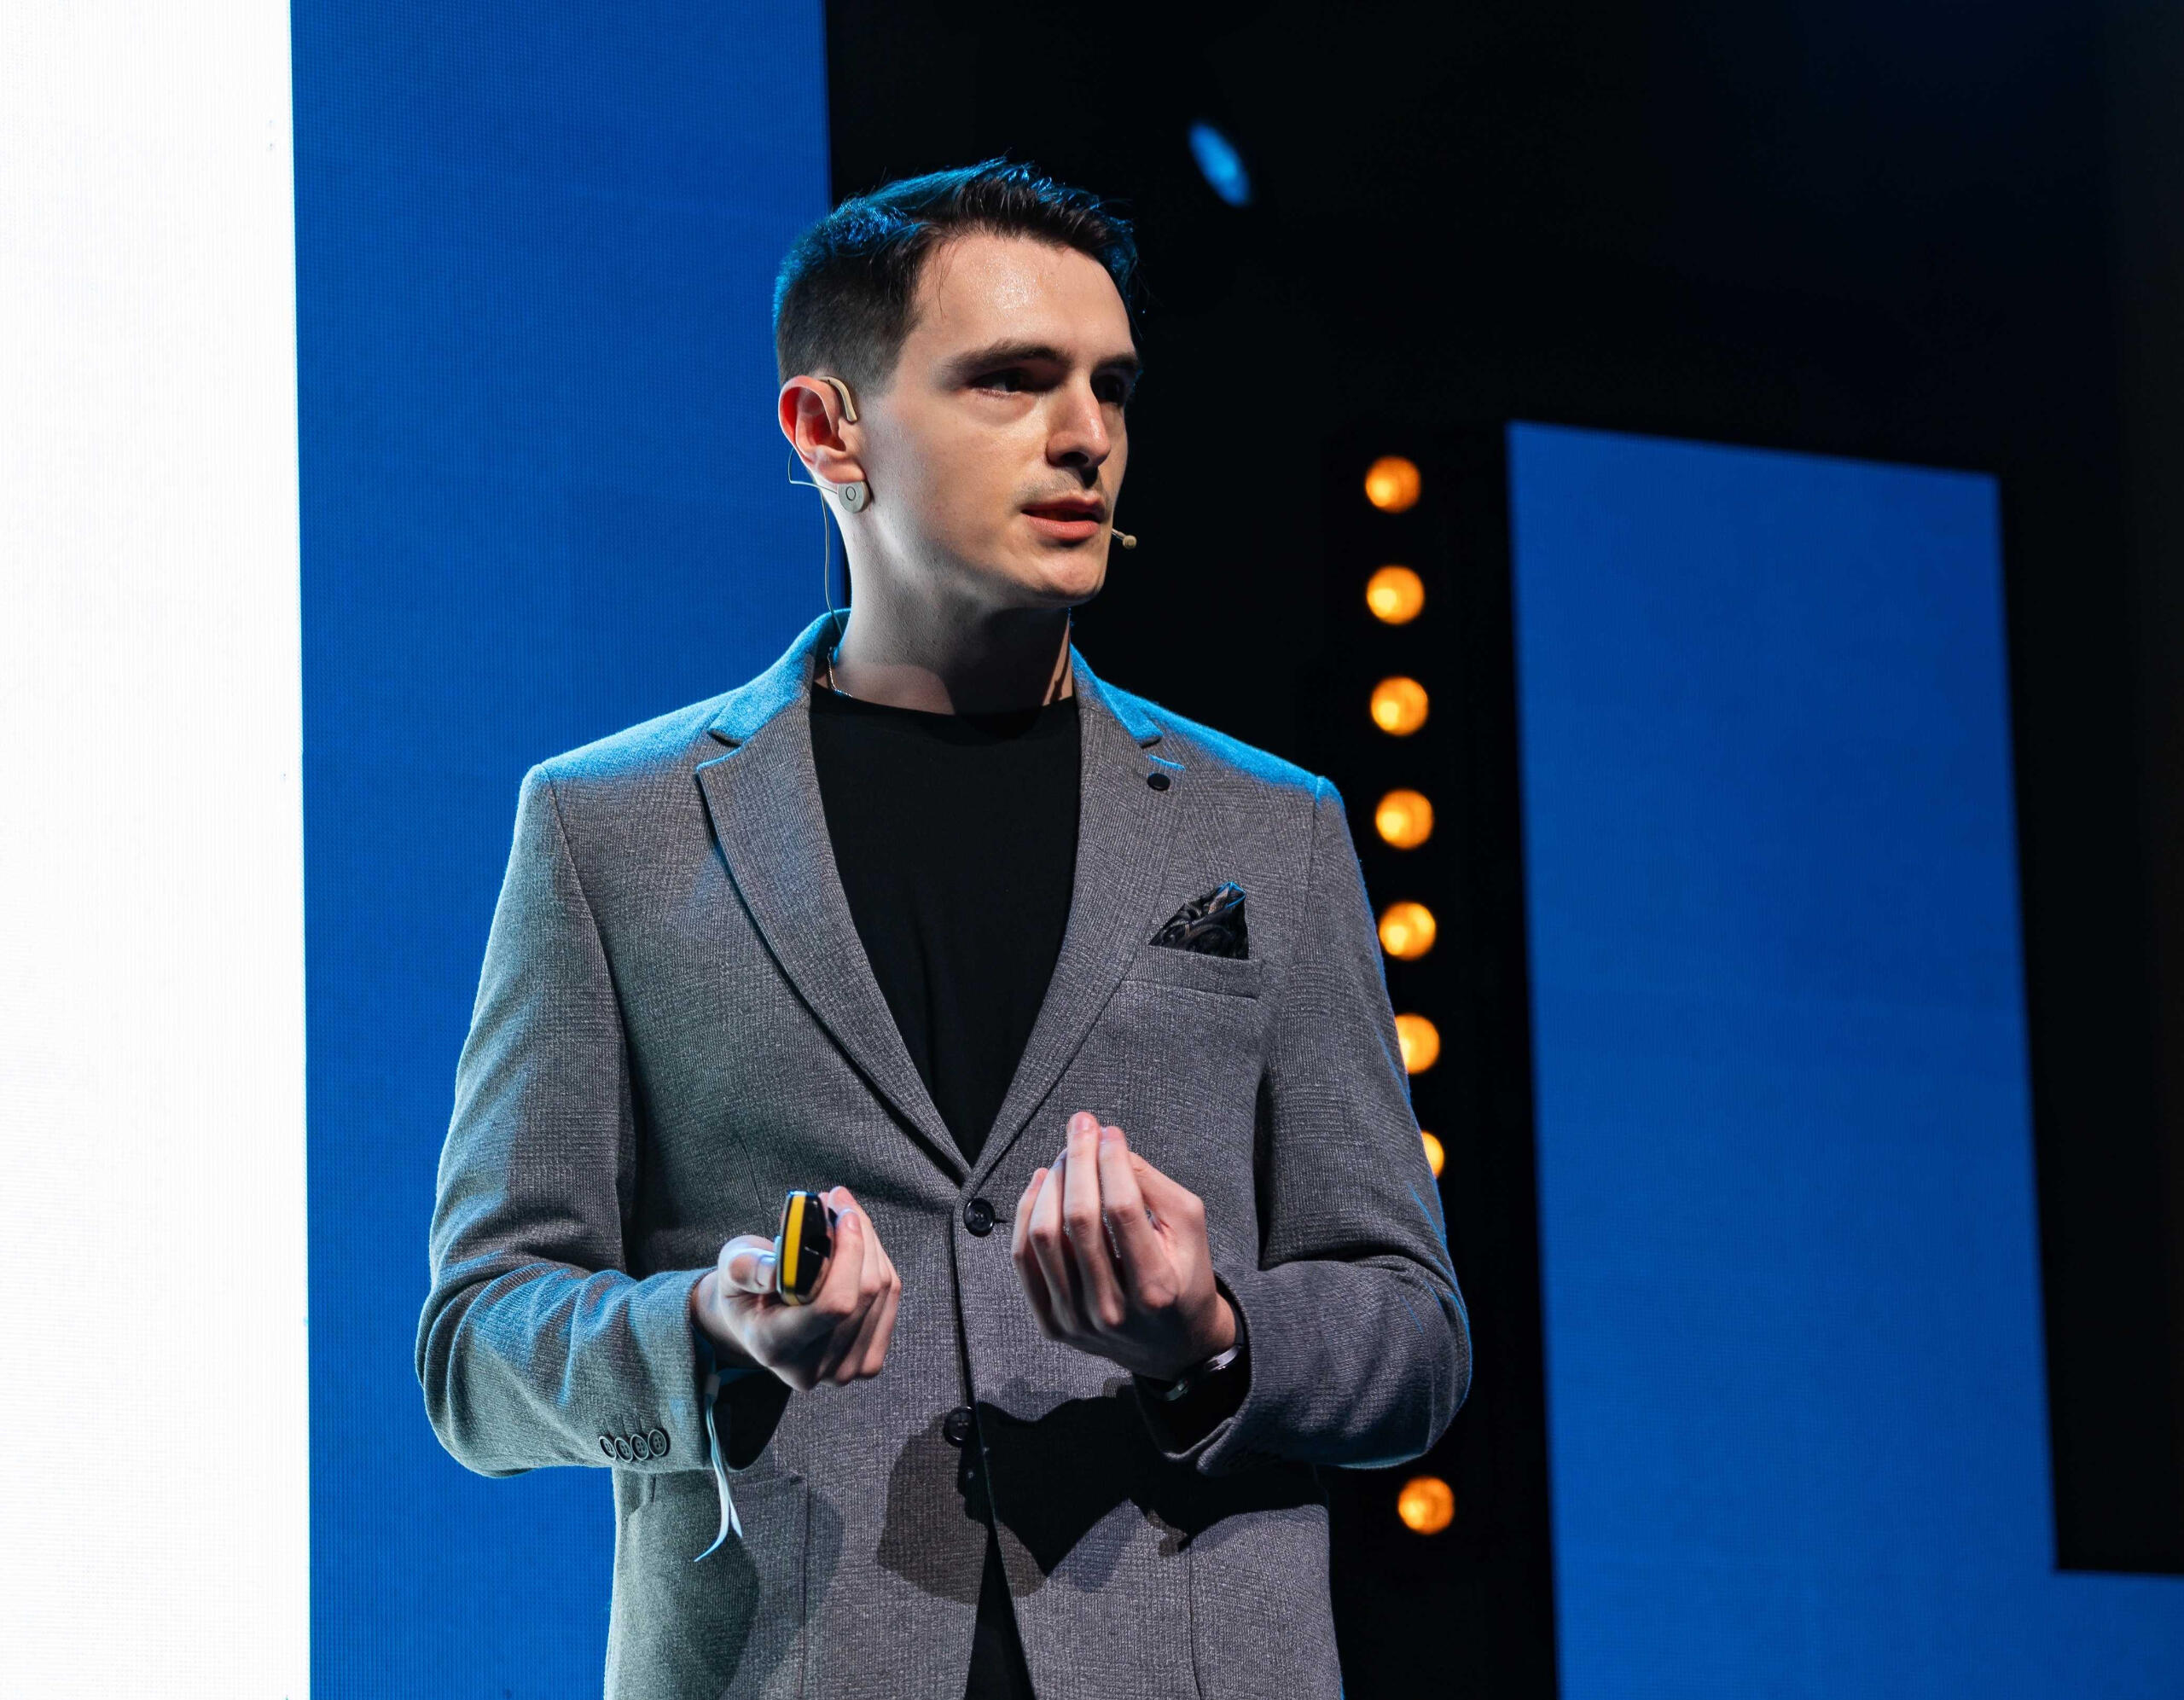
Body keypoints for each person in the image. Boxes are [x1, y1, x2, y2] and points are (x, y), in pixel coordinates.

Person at [417, 160, 1469, 1700]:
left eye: (1112, 387)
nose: (1086, 434)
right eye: (1011, 381)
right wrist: (705, 1324)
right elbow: (477, 1347)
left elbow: (1415, 1331)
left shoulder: (1271, 830)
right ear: (827, 429)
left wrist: (1214, 1332)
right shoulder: (611, 828)